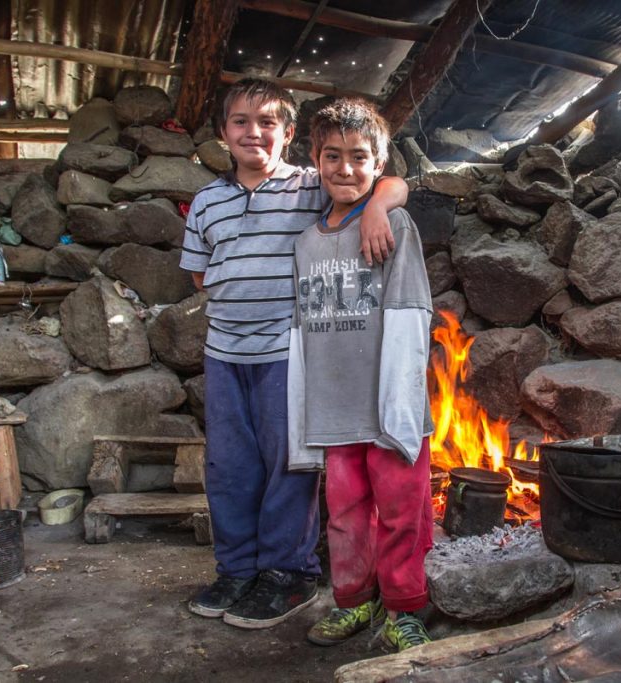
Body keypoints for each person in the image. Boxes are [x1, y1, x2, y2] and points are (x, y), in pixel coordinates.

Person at [180, 79, 407, 630]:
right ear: (223, 132)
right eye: (240, 121)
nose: (252, 132)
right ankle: (236, 570)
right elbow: (197, 273)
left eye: (267, 123)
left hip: (289, 353)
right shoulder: (208, 201)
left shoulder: (311, 186)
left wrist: (378, 208)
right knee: (229, 467)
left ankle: (288, 574)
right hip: (225, 353)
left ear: (289, 135)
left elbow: (394, 181)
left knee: (290, 465)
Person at [287, 98, 435, 652]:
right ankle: (354, 601)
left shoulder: (393, 222)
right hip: (333, 409)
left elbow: (411, 312)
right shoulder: (305, 244)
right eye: (332, 156)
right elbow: (301, 332)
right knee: (345, 517)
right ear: (315, 159)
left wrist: (401, 402)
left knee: (403, 514)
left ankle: (404, 609)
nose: (344, 169)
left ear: (378, 164)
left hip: (388, 406)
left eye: (358, 157)